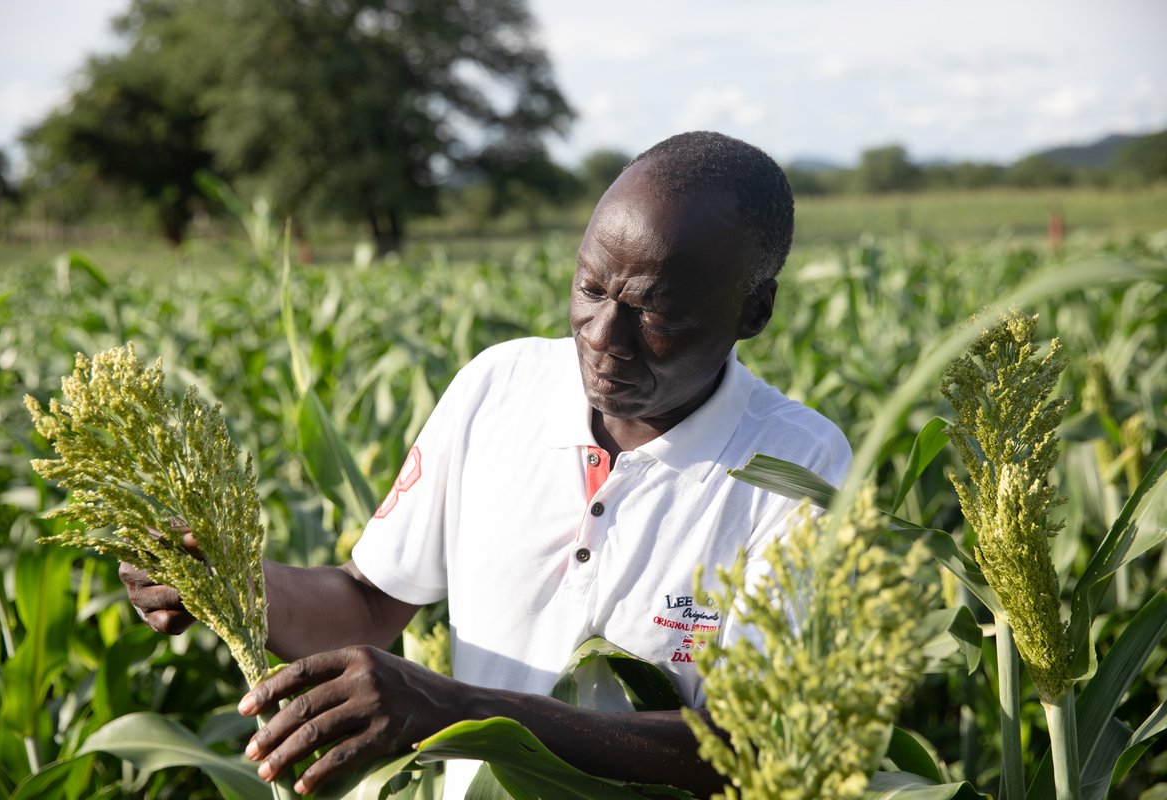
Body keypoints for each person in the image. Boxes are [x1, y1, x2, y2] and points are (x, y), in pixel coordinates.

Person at [121, 131, 852, 798]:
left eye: (656, 313)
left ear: (753, 313)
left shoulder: (797, 465)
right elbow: (369, 602)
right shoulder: (499, 388)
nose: (603, 335)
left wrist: (458, 708)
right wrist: (229, 583)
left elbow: (753, 745)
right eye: (591, 288)